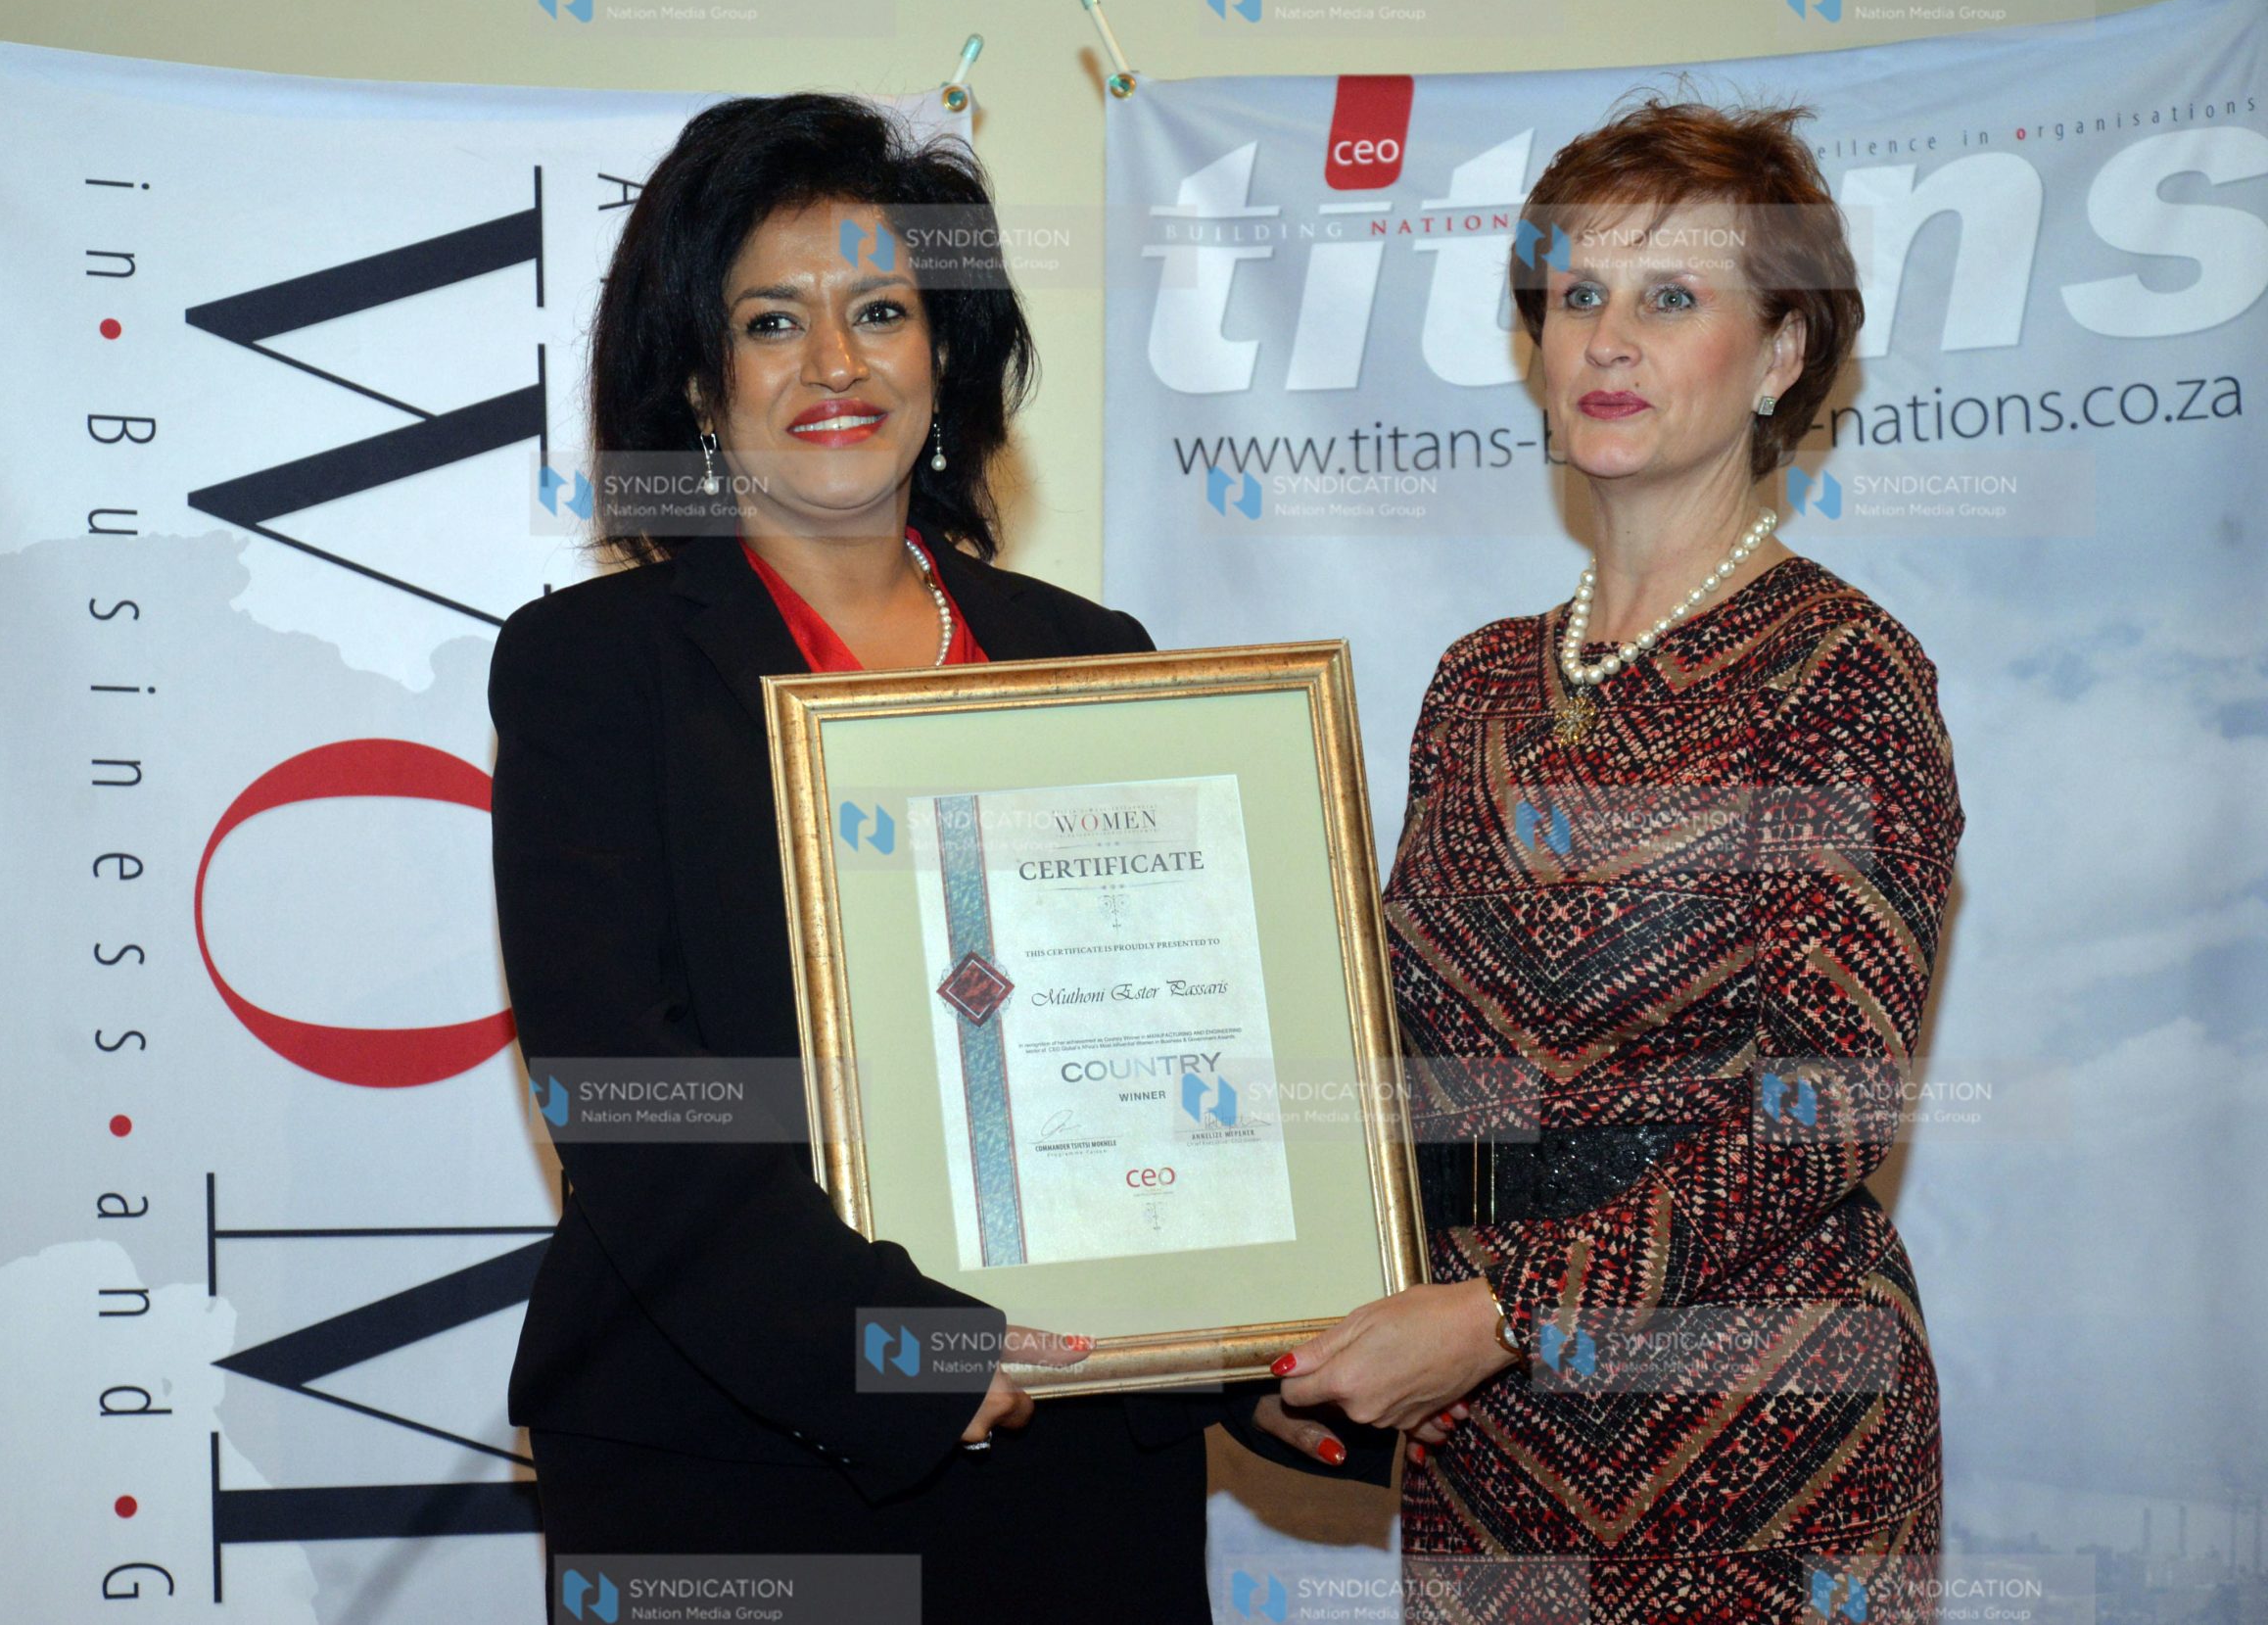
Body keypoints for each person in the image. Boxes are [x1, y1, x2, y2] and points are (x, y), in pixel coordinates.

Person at [488, 92, 1245, 1624]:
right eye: (773, 321)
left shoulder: (1092, 659)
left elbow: (1180, 1039)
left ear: (944, 355)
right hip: (732, 1460)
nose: (835, 364)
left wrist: (1253, 1334)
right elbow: (628, 1091)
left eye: (881, 311)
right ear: (701, 381)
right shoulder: (593, 669)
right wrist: (886, 1345)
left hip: (1084, 1452)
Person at [1265, 95, 1965, 1621]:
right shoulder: (1477, 686)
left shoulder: (1846, 673)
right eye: (1576, 295)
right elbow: (1401, 1058)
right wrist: (1285, 1297)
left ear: (1781, 354)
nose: (1608, 339)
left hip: (1767, 1446)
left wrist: (1506, 1309)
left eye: (1671, 297)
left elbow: (1829, 1109)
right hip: (1489, 1445)